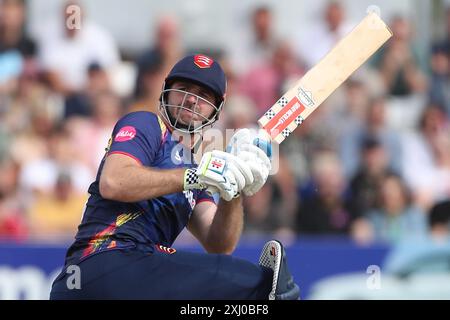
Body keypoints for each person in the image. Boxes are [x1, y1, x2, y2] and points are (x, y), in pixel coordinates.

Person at [49, 54, 299, 300]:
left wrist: (233, 189)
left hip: (123, 281)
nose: (191, 99)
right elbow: (113, 182)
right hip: (107, 261)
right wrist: (194, 176)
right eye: (184, 89)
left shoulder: (197, 169)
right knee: (261, 284)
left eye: (203, 96)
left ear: (216, 109)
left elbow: (220, 245)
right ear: (166, 92)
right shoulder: (146, 125)